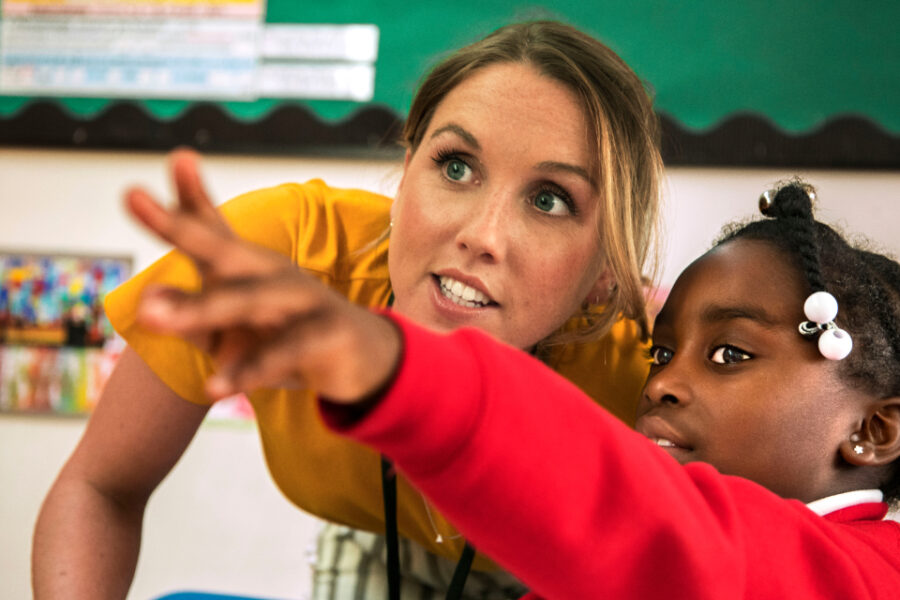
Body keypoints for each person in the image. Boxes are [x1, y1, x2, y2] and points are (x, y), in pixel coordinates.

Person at [32, 21, 664, 599]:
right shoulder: (283, 256)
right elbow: (100, 490)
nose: (482, 235)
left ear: (605, 271)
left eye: (550, 200)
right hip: (375, 542)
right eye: (456, 165)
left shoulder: (650, 379)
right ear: (407, 165)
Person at [126, 180, 900, 599]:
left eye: (729, 353)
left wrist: (394, 366)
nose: (661, 381)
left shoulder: (864, 575)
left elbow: (641, 517)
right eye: (664, 350)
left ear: (875, 432)